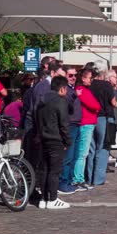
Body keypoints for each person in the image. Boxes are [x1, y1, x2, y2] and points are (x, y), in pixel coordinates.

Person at [35, 76, 72, 209]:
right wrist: (68, 140)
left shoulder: (41, 101)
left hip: (43, 138)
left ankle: (43, 198)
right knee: (54, 171)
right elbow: (64, 124)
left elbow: (36, 120)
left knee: (44, 169)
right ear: (62, 88)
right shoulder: (60, 102)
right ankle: (52, 199)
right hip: (56, 139)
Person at [87, 60, 117, 186]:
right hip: (104, 117)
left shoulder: (90, 84)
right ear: (104, 71)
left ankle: (88, 177)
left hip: (90, 117)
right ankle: (98, 178)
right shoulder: (106, 85)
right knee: (103, 147)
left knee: (91, 148)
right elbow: (114, 102)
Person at [72, 68, 100, 191]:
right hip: (86, 123)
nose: (91, 80)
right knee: (82, 153)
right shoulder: (81, 90)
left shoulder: (84, 90)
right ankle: (78, 179)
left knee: (83, 153)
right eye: (89, 77)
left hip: (88, 123)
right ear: (83, 78)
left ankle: (79, 178)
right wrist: (96, 107)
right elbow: (95, 105)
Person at [58, 66, 81, 194]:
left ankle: (68, 181)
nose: (73, 78)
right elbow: (65, 104)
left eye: (75, 75)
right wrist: (74, 96)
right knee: (68, 156)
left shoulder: (72, 89)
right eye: (70, 75)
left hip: (76, 124)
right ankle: (63, 183)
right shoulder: (64, 90)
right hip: (70, 125)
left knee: (73, 156)